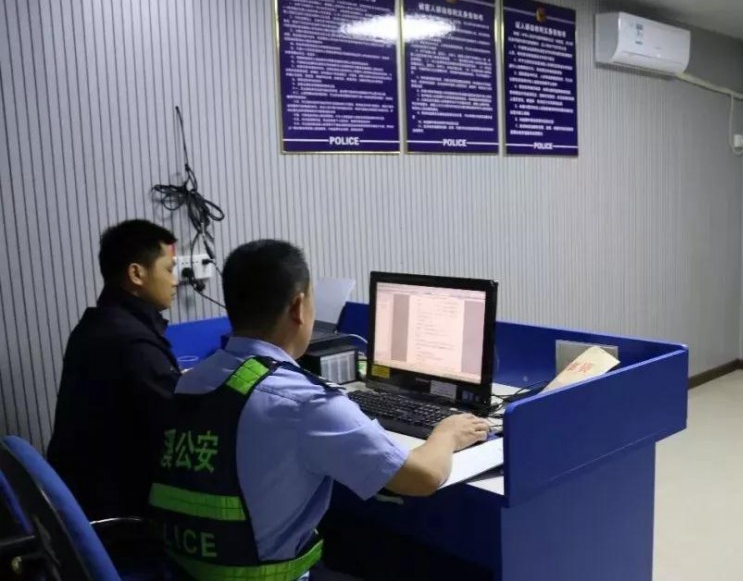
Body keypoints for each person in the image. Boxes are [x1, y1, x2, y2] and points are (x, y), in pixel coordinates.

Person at [149, 240, 489, 580]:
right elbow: (423, 478)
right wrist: (447, 434)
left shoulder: (194, 379)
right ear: (299, 307)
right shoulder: (305, 402)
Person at [48, 219, 180, 519]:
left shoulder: (100, 324)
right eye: (169, 270)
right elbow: (178, 426)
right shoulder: (132, 343)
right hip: (122, 511)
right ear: (136, 274)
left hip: (87, 496)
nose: (175, 281)